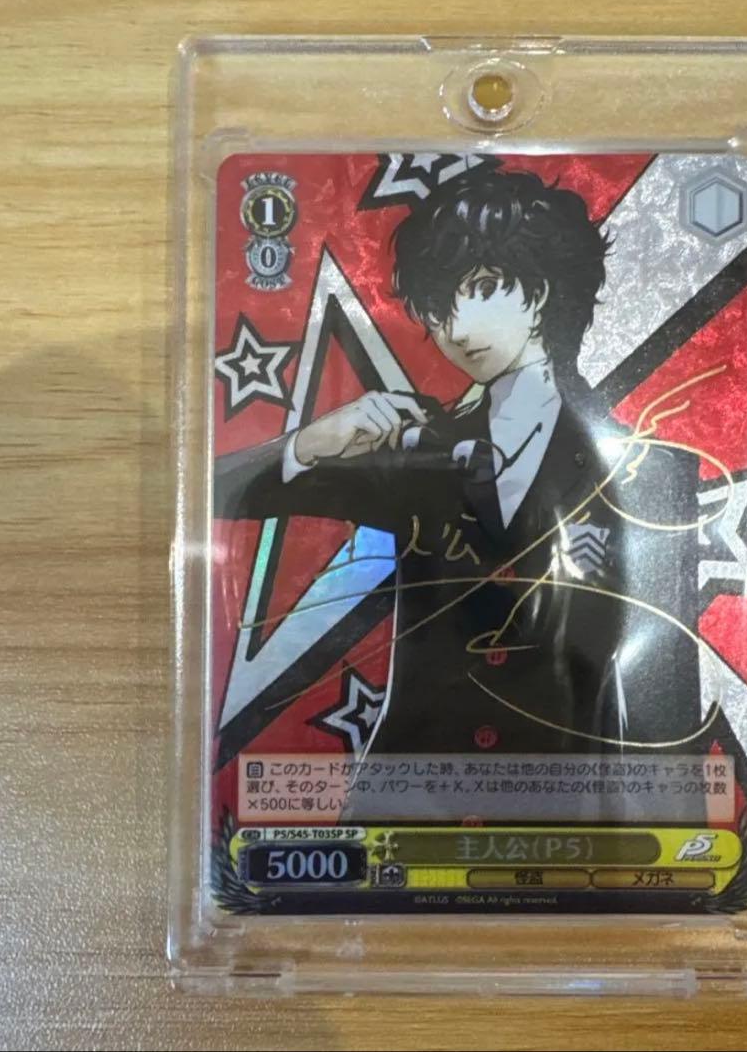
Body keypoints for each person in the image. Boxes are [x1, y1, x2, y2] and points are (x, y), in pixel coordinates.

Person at [215, 170, 702, 763]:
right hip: (409, 790)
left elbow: (668, 700)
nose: (456, 327)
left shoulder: (647, 472)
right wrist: (310, 442)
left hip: (570, 794)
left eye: (485, 287)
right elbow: (214, 495)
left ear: (541, 290)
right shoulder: (416, 450)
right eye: (438, 307)